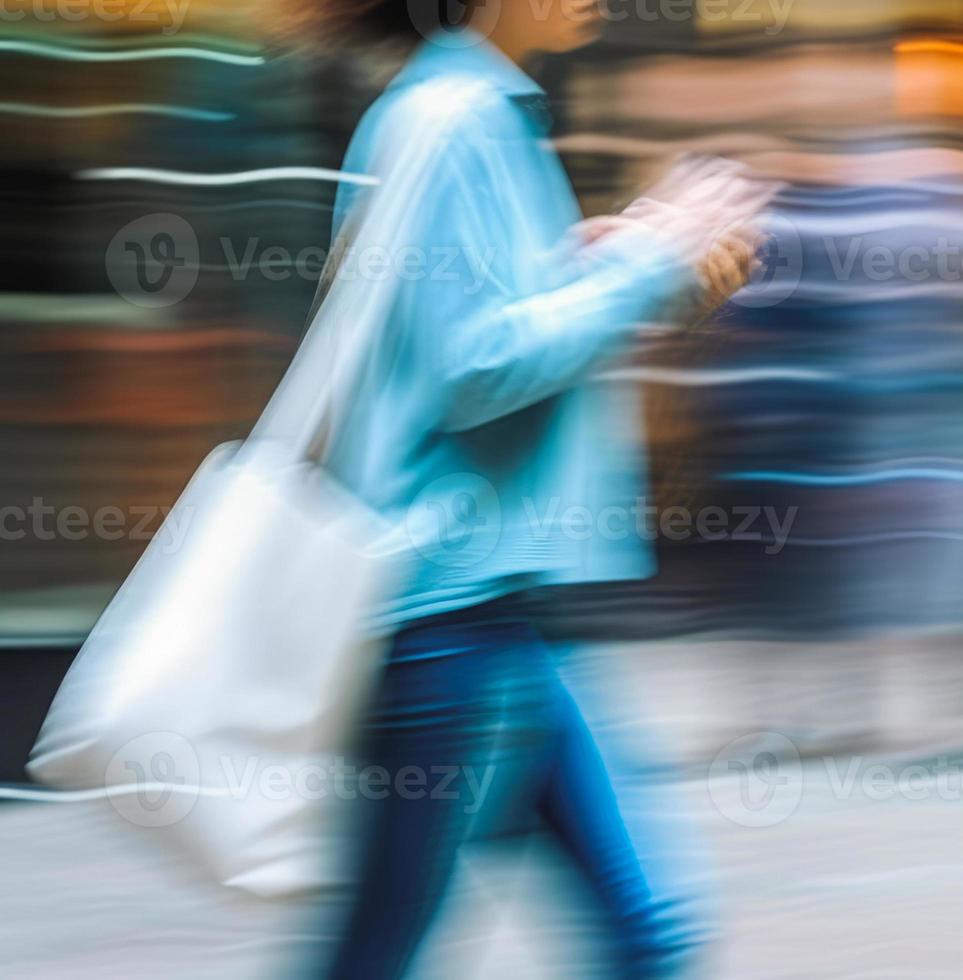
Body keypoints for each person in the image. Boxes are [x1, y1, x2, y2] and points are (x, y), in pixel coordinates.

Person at [270, 1, 774, 976]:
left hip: (483, 611)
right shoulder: (454, 114)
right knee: (379, 954)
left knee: (645, 935)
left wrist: (590, 259)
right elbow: (470, 365)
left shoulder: (462, 106)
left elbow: (466, 323)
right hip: (444, 623)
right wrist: (646, 265)